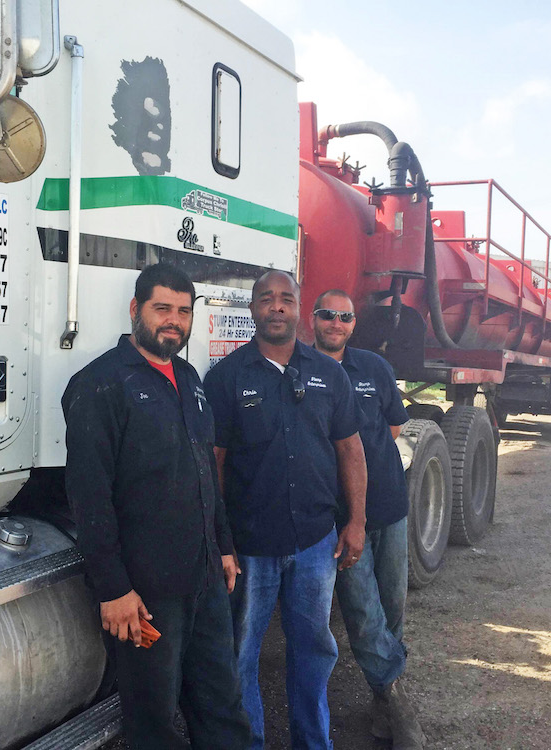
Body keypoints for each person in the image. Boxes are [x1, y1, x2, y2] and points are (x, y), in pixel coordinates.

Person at [62, 263, 250, 750]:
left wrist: (224, 546)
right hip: (147, 595)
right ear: (135, 310)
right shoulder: (100, 384)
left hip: (205, 582)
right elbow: (88, 496)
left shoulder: (189, 378)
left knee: (223, 710)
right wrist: (114, 588)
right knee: (154, 725)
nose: (174, 321)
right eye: (162, 308)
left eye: (183, 311)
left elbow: (205, 470)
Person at [204, 270, 367, 750]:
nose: (277, 306)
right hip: (251, 546)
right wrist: (221, 539)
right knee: (241, 655)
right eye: (266, 299)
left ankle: (313, 744)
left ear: (299, 310)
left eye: (286, 299)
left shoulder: (328, 374)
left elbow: (350, 450)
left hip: (316, 542)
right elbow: (212, 464)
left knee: (314, 651)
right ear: (252, 309)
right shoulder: (226, 377)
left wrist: (355, 521)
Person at [311, 289, 426, 750]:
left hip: (390, 508)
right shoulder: (302, 371)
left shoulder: (375, 369)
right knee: (362, 612)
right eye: (327, 315)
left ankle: (382, 700)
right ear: (313, 319)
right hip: (339, 518)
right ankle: (399, 702)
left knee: (392, 607)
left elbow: (393, 427)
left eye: (344, 316)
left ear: (353, 324)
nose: (335, 323)